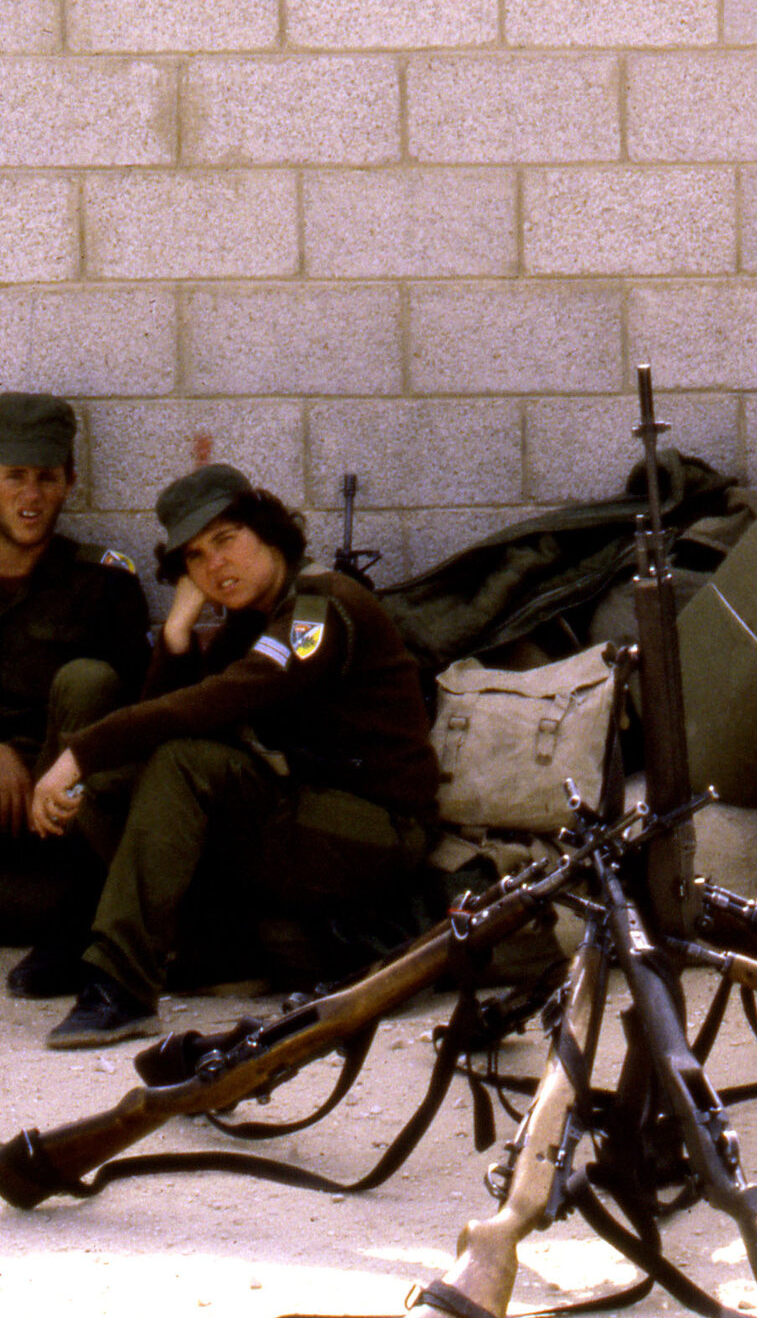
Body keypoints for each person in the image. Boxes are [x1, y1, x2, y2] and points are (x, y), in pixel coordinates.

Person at [28, 464, 440, 1049]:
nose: (215, 565)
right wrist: (176, 632)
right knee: (111, 786)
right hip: (301, 814)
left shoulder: (318, 606)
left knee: (184, 762)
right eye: (195, 557)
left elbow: (216, 701)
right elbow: (165, 718)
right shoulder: (253, 620)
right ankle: (216, 952)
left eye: (226, 540)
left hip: (375, 830)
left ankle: (122, 986)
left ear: (268, 532)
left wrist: (78, 754)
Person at [0, 393, 150, 998]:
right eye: (14, 477)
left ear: (70, 484)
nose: (30, 497)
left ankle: (70, 926)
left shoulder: (105, 581)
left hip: (57, 825)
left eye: (47, 479)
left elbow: (136, 712)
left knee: (89, 679)